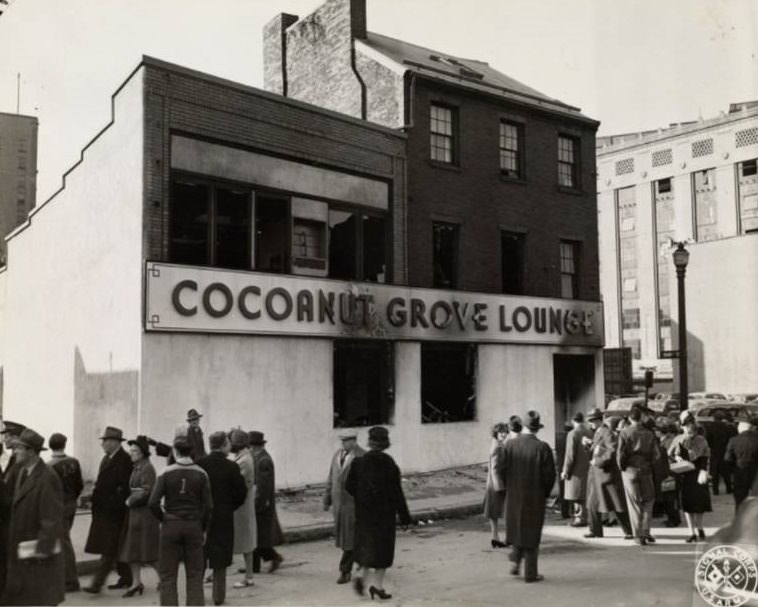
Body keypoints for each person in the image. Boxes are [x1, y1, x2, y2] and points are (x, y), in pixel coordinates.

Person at [149, 426, 213, 606]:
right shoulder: (202, 473)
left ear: (175, 452)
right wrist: (204, 528)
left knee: (168, 574)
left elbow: (153, 503)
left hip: (171, 524)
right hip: (193, 525)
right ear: (191, 452)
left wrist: (164, 519)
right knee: (194, 574)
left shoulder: (166, 473)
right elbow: (208, 506)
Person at [346, 426, 411, 600]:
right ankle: (377, 586)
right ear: (385, 443)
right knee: (383, 551)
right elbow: (397, 492)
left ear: (369, 442)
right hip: (384, 515)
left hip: (364, 514)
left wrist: (362, 499)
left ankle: (360, 575)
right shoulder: (389, 464)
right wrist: (404, 516)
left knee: (366, 547)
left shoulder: (358, 463)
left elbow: (348, 486)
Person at [2, 428, 65, 606]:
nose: (14, 452)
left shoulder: (47, 477)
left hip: (37, 559)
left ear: (31, 452)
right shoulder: (24, 472)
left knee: (39, 601)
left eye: (18, 448)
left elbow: (51, 521)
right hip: (24, 555)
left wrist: (41, 553)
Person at [498, 410, 556, 583]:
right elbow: (549, 476)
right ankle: (530, 573)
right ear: (537, 428)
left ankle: (515, 560)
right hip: (534, 497)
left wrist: (509, 487)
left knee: (517, 527)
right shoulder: (542, 447)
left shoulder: (509, 445)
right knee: (531, 532)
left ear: (522, 426)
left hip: (514, 495)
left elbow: (501, 470)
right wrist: (544, 493)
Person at [196, 431, 248, 606]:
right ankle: (218, 597)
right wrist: (228, 507)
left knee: (200, 556)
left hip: (202, 517)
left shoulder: (200, 464)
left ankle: (196, 594)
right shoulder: (231, 467)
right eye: (228, 443)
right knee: (220, 559)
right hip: (223, 518)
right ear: (224, 445)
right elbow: (241, 493)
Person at [83, 426, 134, 593]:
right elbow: (102, 484)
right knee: (115, 546)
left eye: (104, 441)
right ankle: (126, 578)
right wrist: (93, 499)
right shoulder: (107, 458)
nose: (102, 444)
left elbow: (124, 488)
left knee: (109, 547)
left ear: (114, 442)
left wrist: (109, 504)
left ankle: (96, 583)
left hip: (114, 512)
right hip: (104, 511)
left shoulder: (124, 460)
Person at [119, 435, 160, 598]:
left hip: (144, 515)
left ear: (143, 453)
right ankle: (136, 582)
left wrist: (129, 500)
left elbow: (147, 490)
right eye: (131, 451)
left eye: (135, 451)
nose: (131, 453)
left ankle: (164, 578)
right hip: (135, 515)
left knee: (148, 551)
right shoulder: (137, 467)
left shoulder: (147, 468)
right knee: (132, 550)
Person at [323, 431, 366, 584]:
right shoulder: (337, 455)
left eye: (346, 441)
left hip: (353, 503)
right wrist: (327, 498)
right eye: (342, 441)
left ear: (354, 441)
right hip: (339, 503)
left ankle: (345, 570)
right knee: (347, 537)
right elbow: (331, 477)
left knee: (349, 538)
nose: (343, 444)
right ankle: (362, 561)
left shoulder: (361, 456)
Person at [583, 411, 633, 540]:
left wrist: (598, 461)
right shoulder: (600, 433)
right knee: (593, 502)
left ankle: (629, 530)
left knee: (617, 503)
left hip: (605, 474)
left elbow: (612, 450)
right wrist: (589, 445)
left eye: (591, 421)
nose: (590, 424)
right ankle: (595, 530)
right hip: (598, 473)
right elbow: (600, 449)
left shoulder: (607, 432)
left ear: (598, 420)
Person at [617, 407, 661, 545]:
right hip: (646, 470)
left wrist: (622, 468)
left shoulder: (624, 433)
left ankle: (638, 535)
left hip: (630, 470)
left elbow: (620, 455)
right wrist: (650, 465)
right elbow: (657, 454)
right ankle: (646, 531)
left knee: (634, 503)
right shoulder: (650, 433)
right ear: (641, 418)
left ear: (630, 418)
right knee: (648, 500)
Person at [48, 432, 84, 593]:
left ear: (50, 445)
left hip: (58, 506)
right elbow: (79, 485)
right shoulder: (74, 462)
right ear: (64, 444)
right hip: (71, 504)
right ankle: (64, 578)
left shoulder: (50, 466)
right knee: (64, 540)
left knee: (63, 543)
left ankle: (70, 580)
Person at [668, 414, 711, 543]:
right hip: (684, 474)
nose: (688, 429)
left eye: (690, 427)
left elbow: (697, 455)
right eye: (685, 427)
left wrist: (687, 441)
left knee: (699, 504)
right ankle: (691, 531)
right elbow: (669, 453)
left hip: (698, 474)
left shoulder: (701, 440)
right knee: (687, 505)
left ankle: (700, 527)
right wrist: (677, 458)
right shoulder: (678, 438)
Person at [249, 431, 284, 574]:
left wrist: (257, 504)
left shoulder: (263, 460)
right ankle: (254, 566)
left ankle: (274, 557)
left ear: (253, 446)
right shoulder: (258, 458)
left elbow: (263, 487)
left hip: (262, 504)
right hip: (260, 502)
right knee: (256, 536)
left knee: (260, 537)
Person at [229, 429, 257, 589]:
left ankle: (249, 576)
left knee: (245, 540)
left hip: (241, 506)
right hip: (243, 505)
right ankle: (249, 574)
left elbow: (237, 484)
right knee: (246, 540)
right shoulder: (244, 457)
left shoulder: (244, 460)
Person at [561, 412, 593, 527]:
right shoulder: (590, 432)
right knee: (584, 493)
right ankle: (585, 517)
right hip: (588, 467)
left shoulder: (572, 434)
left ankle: (579, 518)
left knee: (576, 494)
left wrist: (565, 470)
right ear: (583, 420)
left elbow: (570, 454)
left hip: (576, 469)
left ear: (572, 421)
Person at [724, 416, 758, 510]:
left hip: (739, 475)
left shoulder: (733, 440)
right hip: (755, 475)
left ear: (740, 428)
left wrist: (731, 473)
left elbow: (727, 459)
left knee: (740, 502)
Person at [483, 423, 507, 548]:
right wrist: (499, 487)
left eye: (505, 431)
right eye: (501, 432)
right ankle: (498, 537)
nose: (503, 434)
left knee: (494, 512)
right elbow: (494, 469)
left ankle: (495, 537)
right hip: (496, 484)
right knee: (499, 511)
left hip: (494, 482)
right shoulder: (497, 447)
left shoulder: (498, 444)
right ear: (496, 433)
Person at [654, 420, 681, 528]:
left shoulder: (668, 442)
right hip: (667, 473)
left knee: (670, 498)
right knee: (668, 497)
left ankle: (674, 519)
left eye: (656, 430)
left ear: (660, 432)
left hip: (670, 473)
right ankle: (672, 518)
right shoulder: (663, 441)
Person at [705, 410, 736, 495]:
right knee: (726, 471)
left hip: (714, 451)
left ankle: (715, 490)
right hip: (725, 451)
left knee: (715, 472)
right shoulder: (727, 427)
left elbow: (708, 440)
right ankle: (729, 488)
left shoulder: (710, 427)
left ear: (714, 417)